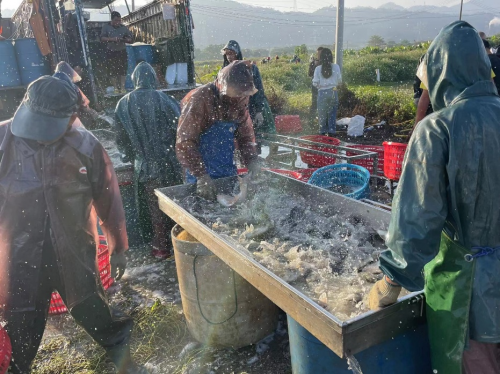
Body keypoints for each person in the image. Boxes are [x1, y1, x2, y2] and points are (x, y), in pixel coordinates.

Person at [368, 21, 500, 374]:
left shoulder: (438, 128)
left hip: (470, 297)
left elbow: (418, 218)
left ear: (441, 73)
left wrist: (392, 278)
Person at [0, 76, 147, 374]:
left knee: (90, 306)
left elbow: (108, 199)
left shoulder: (86, 146)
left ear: (71, 118)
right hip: (19, 255)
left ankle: (121, 354)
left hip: (73, 250)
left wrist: (119, 246)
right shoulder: (3, 142)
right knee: (20, 322)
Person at [115, 62, 183, 260]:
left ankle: (160, 247)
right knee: (174, 204)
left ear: (135, 79)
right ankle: (177, 244)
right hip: (168, 164)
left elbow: (121, 139)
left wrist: (128, 156)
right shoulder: (165, 99)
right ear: (153, 78)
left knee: (153, 208)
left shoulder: (123, 104)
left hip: (142, 165)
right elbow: (180, 130)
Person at [176, 61, 261, 200]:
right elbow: (185, 142)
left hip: (227, 171)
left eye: (242, 96)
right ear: (223, 87)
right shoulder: (200, 99)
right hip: (201, 174)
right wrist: (201, 175)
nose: (238, 100)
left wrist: (252, 161)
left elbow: (246, 138)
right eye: (234, 96)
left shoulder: (240, 102)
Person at [222, 40, 276, 155]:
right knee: (243, 136)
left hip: (253, 104)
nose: (229, 57)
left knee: (263, 133)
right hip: (237, 108)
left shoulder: (250, 68)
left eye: (232, 53)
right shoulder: (224, 71)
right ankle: (247, 159)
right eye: (227, 54)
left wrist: (259, 110)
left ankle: (268, 158)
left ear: (237, 53)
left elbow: (259, 89)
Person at [101, 11, 133, 93]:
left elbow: (130, 39)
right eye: (116, 20)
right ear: (112, 20)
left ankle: (122, 88)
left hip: (122, 50)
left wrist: (125, 39)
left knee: (123, 70)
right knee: (112, 70)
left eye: (119, 20)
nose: (118, 22)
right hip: (111, 51)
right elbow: (102, 38)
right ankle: (115, 88)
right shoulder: (106, 27)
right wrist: (112, 39)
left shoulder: (123, 28)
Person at [312, 48, 341, 137]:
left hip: (322, 93)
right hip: (333, 91)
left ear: (321, 57)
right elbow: (339, 81)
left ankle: (322, 134)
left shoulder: (318, 69)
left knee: (322, 115)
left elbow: (315, 83)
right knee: (332, 114)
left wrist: (321, 87)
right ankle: (332, 133)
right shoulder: (336, 67)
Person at [308, 47, 324, 116]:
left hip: (324, 85)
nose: (319, 55)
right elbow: (309, 74)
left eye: (321, 53)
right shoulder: (313, 63)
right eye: (318, 54)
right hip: (315, 85)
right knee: (314, 101)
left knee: (323, 102)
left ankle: (321, 116)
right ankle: (311, 117)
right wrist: (314, 66)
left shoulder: (326, 63)